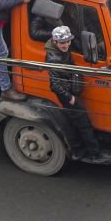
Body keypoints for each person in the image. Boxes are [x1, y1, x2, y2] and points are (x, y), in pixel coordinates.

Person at [45, 25, 105, 159]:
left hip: (71, 90)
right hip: (68, 95)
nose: (66, 45)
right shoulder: (54, 60)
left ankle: (80, 151)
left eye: (68, 41)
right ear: (55, 42)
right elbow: (54, 85)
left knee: (75, 123)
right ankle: (94, 153)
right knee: (83, 124)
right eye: (62, 43)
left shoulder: (61, 50)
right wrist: (70, 97)